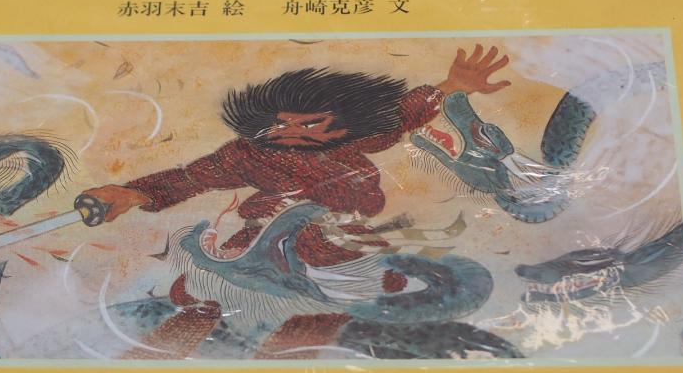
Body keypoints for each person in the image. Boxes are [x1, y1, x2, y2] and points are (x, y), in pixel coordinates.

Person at [84, 44, 511, 356]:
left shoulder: (359, 140)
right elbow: (190, 178)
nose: (292, 134)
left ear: (344, 125)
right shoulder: (250, 153)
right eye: (283, 125)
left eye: (311, 125)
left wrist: (452, 86)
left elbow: (404, 113)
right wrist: (131, 193)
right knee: (203, 309)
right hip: (259, 252)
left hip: (337, 252)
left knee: (310, 325)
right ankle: (148, 368)